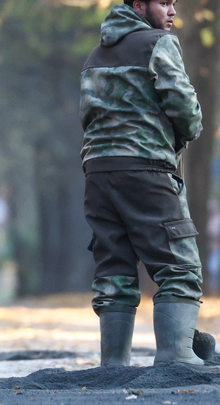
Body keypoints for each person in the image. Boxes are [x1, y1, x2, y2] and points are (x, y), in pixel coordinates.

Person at [80, 0, 215, 367]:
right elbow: (183, 104)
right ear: (139, 5)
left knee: (114, 265)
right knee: (179, 264)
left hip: (97, 172)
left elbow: (87, 114)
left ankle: (114, 362)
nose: (172, 11)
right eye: (164, 2)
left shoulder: (95, 55)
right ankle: (175, 356)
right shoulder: (158, 42)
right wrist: (188, 132)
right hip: (145, 168)